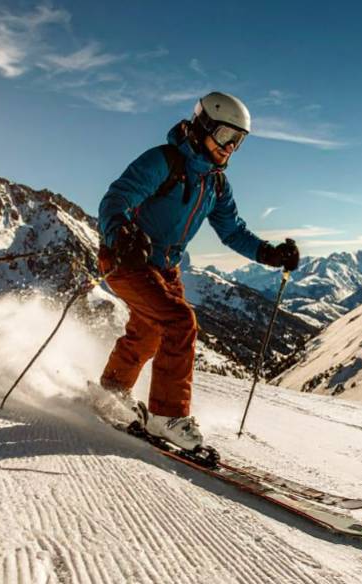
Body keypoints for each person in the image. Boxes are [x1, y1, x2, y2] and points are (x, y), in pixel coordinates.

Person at [96, 91, 300, 450]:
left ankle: (112, 391)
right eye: (225, 136)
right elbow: (117, 198)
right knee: (179, 322)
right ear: (203, 126)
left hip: (165, 269)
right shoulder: (164, 161)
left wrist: (270, 254)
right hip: (127, 260)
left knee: (147, 334)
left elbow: (233, 231)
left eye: (239, 142)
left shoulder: (216, 184)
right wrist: (122, 233)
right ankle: (167, 415)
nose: (230, 148)